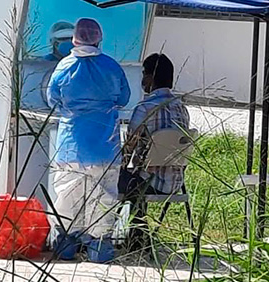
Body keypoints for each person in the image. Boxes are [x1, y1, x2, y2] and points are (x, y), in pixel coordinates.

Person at [46, 18, 131, 263]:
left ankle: (66, 247)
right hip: (105, 144)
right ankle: (99, 250)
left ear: (74, 39)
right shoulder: (112, 67)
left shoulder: (63, 67)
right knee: (103, 198)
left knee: (67, 196)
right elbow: (123, 98)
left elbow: (52, 100)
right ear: (99, 39)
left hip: (71, 145)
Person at [119, 53, 190, 249]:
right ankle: (137, 236)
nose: (142, 80)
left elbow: (129, 147)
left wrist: (121, 165)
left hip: (148, 182)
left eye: (144, 74)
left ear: (150, 78)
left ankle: (132, 234)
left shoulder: (145, 108)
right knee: (136, 177)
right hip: (176, 183)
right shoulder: (181, 108)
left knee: (118, 178)